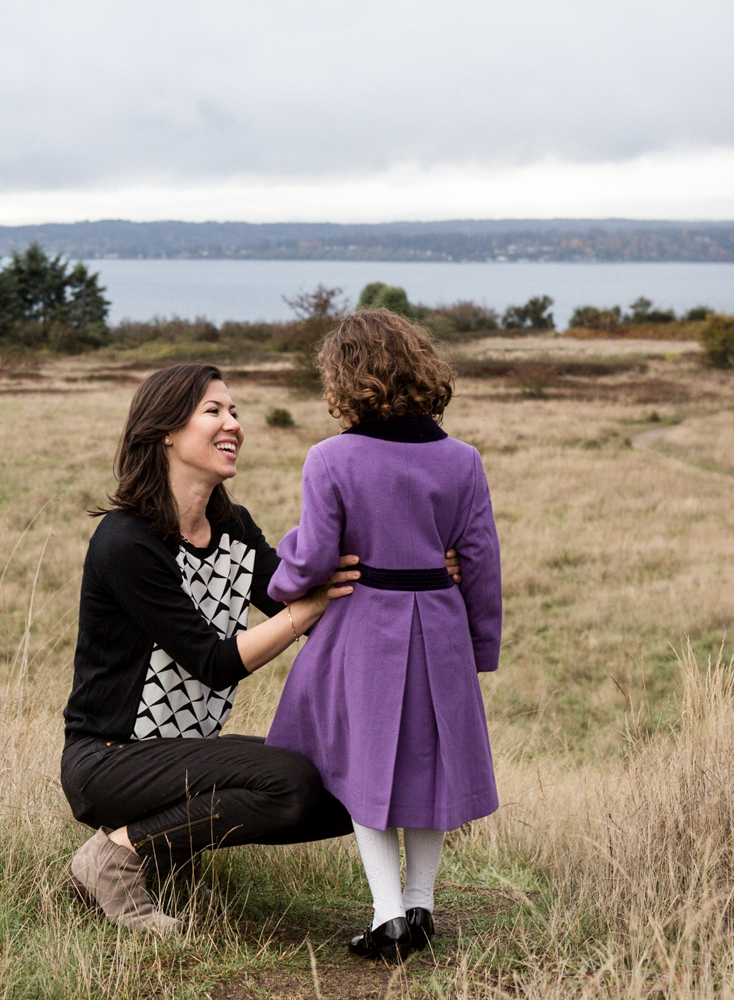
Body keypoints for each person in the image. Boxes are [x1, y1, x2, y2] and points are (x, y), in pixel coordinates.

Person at [61, 362, 461, 933]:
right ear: (166, 431)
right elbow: (216, 662)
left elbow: (319, 601)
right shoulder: (126, 541)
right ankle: (116, 856)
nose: (234, 424)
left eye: (235, 411)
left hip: (182, 753)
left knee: (344, 786)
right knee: (288, 781)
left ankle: (156, 849)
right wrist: (307, 608)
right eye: (214, 411)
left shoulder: (233, 528)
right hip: (109, 757)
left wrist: (420, 565)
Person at [265, 309, 504, 962]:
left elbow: (312, 559)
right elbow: (480, 559)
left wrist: (283, 575)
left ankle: (388, 914)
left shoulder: (330, 458)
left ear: (345, 378)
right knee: (429, 767)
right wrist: (479, 647)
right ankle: (422, 906)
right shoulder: (463, 461)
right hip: (442, 627)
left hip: (363, 628)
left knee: (361, 766)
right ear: (421, 368)